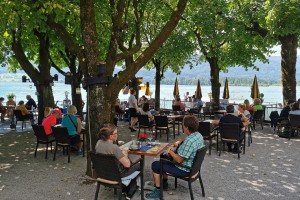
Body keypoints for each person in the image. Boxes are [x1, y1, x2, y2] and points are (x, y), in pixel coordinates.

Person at [146, 115, 204, 199]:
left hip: (184, 169)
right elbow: (188, 140)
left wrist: (170, 151)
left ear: (186, 127)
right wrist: (181, 141)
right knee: (163, 157)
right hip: (193, 167)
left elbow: (179, 160)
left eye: (183, 126)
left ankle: (158, 191)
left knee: (155, 165)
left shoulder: (189, 142)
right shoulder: (198, 135)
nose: (183, 128)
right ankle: (164, 183)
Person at [95, 123, 140, 199]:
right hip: (117, 175)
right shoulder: (114, 148)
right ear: (110, 136)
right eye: (116, 133)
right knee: (138, 164)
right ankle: (130, 190)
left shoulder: (98, 142)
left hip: (103, 173)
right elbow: (127, 165)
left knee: (129, 163)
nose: (117, 134)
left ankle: (126, 188)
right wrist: (124, 153)